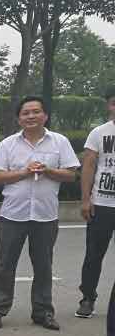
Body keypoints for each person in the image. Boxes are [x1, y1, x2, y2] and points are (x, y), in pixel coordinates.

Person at [0, 96, 80, 331]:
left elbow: (71, 174)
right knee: (5, 265)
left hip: (45, 215)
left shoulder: (59, 142)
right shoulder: (8, 144)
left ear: (45, 115)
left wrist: (48, 170)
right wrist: (25, 172)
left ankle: (43, 312)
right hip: (12, 215)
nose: (31, 116)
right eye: (25, 113)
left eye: (36, 111)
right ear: (19, 118)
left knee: (44, 266)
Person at [77, 90, 115, 321]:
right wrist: (85, 199)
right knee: (93, 255)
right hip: (102, 204)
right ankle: (87, 298)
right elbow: (89, 166)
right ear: (109, 106)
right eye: (114, 103)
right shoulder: (99, 133)